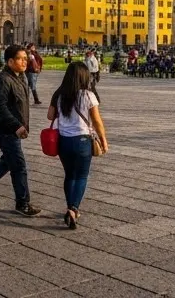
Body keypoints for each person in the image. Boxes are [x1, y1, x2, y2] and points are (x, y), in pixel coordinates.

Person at [0, 44, 39, 216]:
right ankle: (23, 203)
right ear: (10, 61)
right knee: (19, 165)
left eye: (26, 58)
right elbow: (1, 108)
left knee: (8, 162)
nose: (25, 61)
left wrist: (23, 125)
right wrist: (16, 126)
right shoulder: (2, 80)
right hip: (5, 131)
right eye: (20, 58)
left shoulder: (20, 77)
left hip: (15, 129)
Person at [47, 61, 108, 229]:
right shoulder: (88, 95)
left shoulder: (60, 95)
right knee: (81, 176)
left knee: (69, 175)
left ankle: (70, 207)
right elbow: (96, 121)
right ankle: (73, 209)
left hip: (64, 141)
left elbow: (49, 115)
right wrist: (103, 140)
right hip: (82, 141)